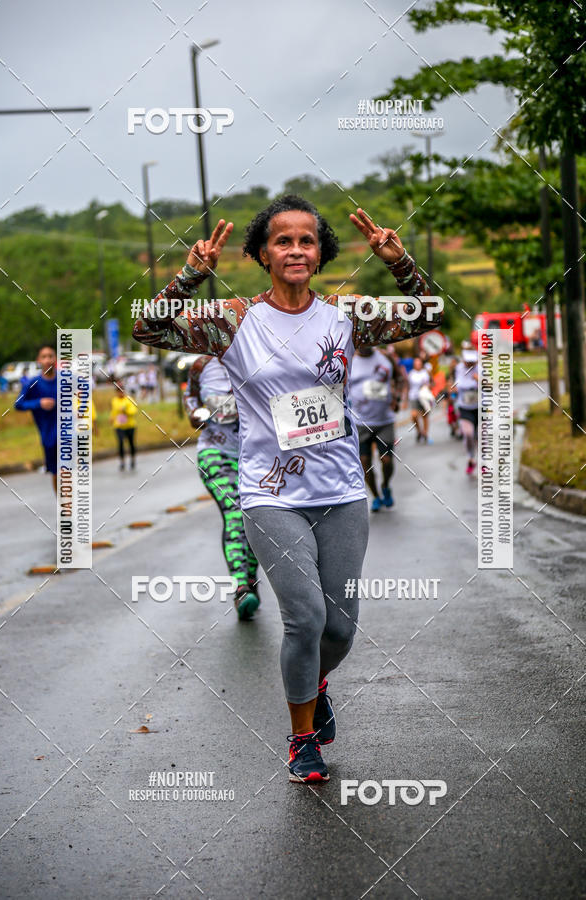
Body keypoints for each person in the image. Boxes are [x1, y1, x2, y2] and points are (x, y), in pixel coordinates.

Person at [133, 195, 441, 783]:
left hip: (342, 490)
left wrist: (399, 262)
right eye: (283, 240)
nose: (296, 249)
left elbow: (427, 316)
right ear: (262, 254)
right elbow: (148, 327)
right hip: (269, 493)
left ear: (320, 253)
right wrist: (191, 274)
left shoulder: (345, 316)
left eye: (307, 240)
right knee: (304, 617)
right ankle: (302, 739)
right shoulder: (233, 320)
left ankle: (314, 685)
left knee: (340, 627)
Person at [185, 355, 260, 620]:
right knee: (235, 512)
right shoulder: (201, 366)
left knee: (257, 519)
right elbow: (191, 396)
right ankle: (241, 587)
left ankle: (250, 579)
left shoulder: (259, 355)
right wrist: (195, 414)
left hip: (256, 457)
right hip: (215, 451)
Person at [349, 343, 402, 511]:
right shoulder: (349, 359)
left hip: (384, 421)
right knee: (364, 462)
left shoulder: (385, 357)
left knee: (387, 460)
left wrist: (397, 398)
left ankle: (385, 485)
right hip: (360, 422)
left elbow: (399, 378)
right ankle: (376, 496)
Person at [14, 344, 58, 492]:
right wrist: (39, 403)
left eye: (50, 356)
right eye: (44, 357)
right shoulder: (32, 383)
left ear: (55, 358)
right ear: (38, 360)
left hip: (68, 433)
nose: (48, 360)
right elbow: (18, 404)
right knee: (57, 473)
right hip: (48, 435)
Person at [454, 348, 479, 474]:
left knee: (483, 437)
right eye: (467, 361)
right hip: (465, 407)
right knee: (468, 434)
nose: (469, 364)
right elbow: (457, 384)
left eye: (472, 362)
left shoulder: (481, 369)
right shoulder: (459, 368)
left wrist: (479, 380)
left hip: (481, 407)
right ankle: (471, 458)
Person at [110, 381, 138, 470]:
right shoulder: (114, 400)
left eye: (121, 391)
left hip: (130, 425)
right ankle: (122, 462)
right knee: (120, 443)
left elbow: (134, 411)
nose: (120, 393)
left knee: (131, 443)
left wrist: (126, 411)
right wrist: (111, 418)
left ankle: (133, 460)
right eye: (118, 391)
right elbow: (113, 411)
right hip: (119, 426)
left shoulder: (129, 399)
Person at [408, 356, 433, 444]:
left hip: (424, 396)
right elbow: (407, 386)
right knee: (414, 416)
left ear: (421, 364)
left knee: (425, 415)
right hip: (414, 396)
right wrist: (404, 400)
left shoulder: (425, 373)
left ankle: (425, 433)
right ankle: (419, 431)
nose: (418, 364)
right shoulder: (411, 373)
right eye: (416, 363)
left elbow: (432, 383)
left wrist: (429, 386)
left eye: (419, 363)